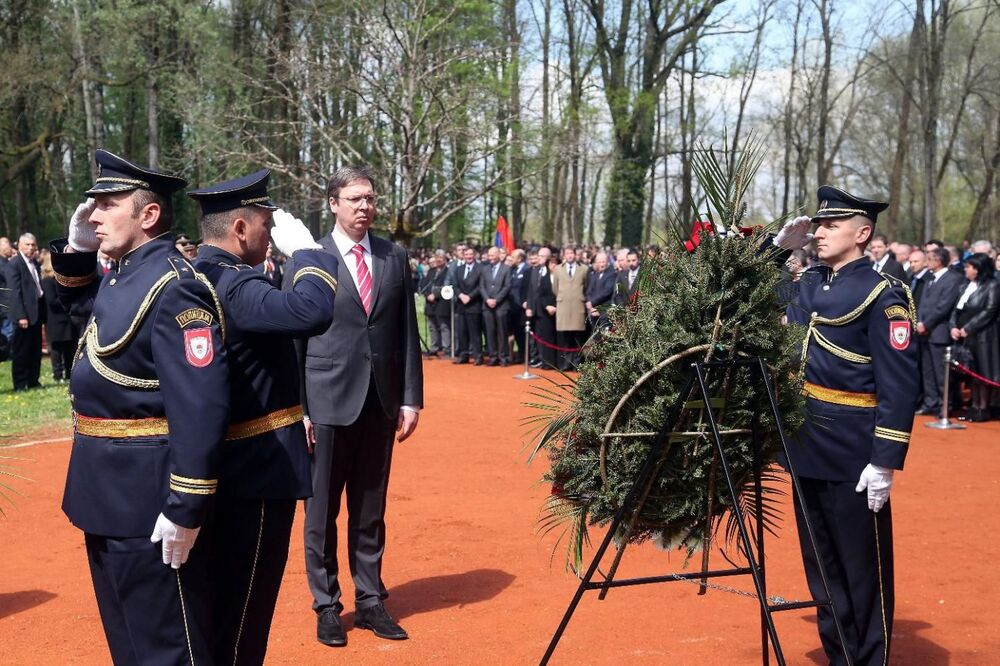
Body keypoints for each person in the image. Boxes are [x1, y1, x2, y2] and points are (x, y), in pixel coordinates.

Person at [52, 149, 229, 664]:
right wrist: (79, 252)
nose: (94, 214)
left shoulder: (175, 287)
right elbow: (84, 311)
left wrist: (186, 506)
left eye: (107, 204)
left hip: (149, 506)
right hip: (104, 496)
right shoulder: (125, 274)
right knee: (129, 645)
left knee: (168, 649)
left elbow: (201, 406)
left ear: (148, 215)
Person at [187, 170, 340, 664]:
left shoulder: (199, 274)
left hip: (228, 469)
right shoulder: (232, 284)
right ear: (239, 229)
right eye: (266, 225)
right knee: (245, 613)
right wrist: (312, 255)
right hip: (254, 472)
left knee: (223, 607)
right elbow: (310, 312)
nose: (270, 235)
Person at [775, 185, 918, 665]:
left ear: (862, 233)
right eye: (817, 225)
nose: (818, 232)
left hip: (854, 450)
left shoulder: (884, 294)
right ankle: (840, 654)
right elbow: (745, 298)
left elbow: (899, 385)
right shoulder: (810, 284)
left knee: (863, 569)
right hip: (805, 441)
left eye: (830, 225)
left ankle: (869, 658)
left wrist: (885, 461)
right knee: (821, 565)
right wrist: (774, 252)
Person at [288, 165, 423, 647]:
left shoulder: (393, 256)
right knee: (321, 510)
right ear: (333, 203)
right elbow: (294, 342)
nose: (364, 206)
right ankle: (327, 605)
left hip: (380, 401)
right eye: (354, 199)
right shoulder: (308, 258)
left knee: (370, 507)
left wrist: (411, 398)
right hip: (325, 402)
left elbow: (407, 331)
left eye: (368, 198)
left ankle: (370, 600)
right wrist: (298, 408)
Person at [948, 253, 999, 422]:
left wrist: (969, 328)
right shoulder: (965, 285)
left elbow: (990, 310)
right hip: (965, 338)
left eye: (969, 267)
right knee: (971, 374)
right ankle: (974, 407)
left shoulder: (992, 286)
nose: (965, 269)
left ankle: (983, 408)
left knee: (982, 373)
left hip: (983, 337)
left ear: (978, 269)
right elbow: (956, 309)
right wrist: (953, 326)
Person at [915, 247, 964, 416]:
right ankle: (931, 402)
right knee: (927, 372)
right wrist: (919, 321)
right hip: (924, 332)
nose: (927, 262)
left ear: (938, 261)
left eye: (929, 258)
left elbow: (944, 306)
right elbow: (923, 302)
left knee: (941, 373)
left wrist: (926, 324)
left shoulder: (952, 279)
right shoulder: (930, 278)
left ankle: (945, 405)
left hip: (939, 332)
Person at [7, 232, 46, 390]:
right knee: (21, 351)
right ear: (19, 246)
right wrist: (21, 315)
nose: (31, 248)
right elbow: (14, 292)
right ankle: (20, 382)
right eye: (27, 245)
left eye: (33, 245)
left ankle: (33, 380)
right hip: (24, 314)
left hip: (36, 312)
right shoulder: (15, 264)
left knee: (35, 349)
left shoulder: (35, 263)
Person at [39, 253, 77, 382]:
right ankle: (57, 374)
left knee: (69, 347)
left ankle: (69, 373)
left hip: (66, 319)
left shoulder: (60, 279)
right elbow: (52, 300)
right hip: (54, 319)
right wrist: (69, 301)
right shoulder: (47, 281)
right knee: (56, 349)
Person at [550, 245, 588, 371]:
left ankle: (577, 364)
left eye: (572, 253)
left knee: (578, 337)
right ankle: (566, 363)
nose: (570, 255)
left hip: (578, 306)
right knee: (566, 338)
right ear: (564, 255)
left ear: (575, 255)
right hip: (563, 306)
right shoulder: (558, 269)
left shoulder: (584, 269)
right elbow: (555, 288)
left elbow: (586, 286)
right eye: (567, 253)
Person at [480, 246, 512, 366]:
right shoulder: (485, 269)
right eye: (489, 255)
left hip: (501, 306)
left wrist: (496, 300)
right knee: (490, 332)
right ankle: (493, 357)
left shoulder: (506, 269)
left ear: (499, 255)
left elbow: (507, 286)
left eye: (493, 255)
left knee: (502, 332)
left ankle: (503, 357)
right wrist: (487, 299)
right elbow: (482, 286)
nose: (490, 258)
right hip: (487, 306)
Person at [526, 247, 557, 369]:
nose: (539, 258)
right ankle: (539, 358)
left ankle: (548, 361)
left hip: (549, 310)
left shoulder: (553, 271)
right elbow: (531, 291)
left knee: (548, 336)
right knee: (538, 336)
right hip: (536, 310)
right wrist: (529, 306)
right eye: (538, 256)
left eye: (542, 256)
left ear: (548, 258)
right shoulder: (535, 270)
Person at [453, 246, 484, 365]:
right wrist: (461, 295)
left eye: (470, 255)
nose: (468, 257)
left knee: (475, 333)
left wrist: (469, 297)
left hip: (474, 305)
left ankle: (478, 356)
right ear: (463, 256)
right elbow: (455, 285)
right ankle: (463, 355)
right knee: (462, 332)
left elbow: (481, 286)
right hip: (461, 305)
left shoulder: (480, 268)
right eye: (466, 255)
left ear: (474, 255)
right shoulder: (459, 269)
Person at [418, 251, 451, 357]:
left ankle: (446, 348)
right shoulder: (431, 271)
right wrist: (428, 295)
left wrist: (435, 295)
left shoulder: (448, 271)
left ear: (445, 259)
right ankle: (434, 347)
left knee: (443, 326)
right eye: (437, 257)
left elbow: (447, 287)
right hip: (430, 303)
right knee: (432, 326)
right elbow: (424, 284)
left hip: (442, 303)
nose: (439, 259)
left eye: (441, 257)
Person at [584, 251, 615, 326]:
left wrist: (592, 302)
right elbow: (589, 290)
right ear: (596, 263)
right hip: (593, 310)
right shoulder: (595, 274)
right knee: (594, 334)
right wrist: (589, 302)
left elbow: (607, 291)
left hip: (604, 311)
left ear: (607, 262)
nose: (601, 264)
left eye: (603, 262)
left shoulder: (611, 274)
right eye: (599, 262)